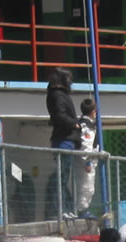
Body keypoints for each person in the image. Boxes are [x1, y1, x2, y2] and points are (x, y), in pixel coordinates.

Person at [46, 67, 81, 217]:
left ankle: (65, 209)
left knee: (64, 178)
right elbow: (59, 115)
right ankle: (60, 210)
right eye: (68, 79)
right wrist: (74, 124)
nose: (70, 82)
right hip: (64, 140)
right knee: (62, 178)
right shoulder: (58, 95)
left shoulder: (58, 95)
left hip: (66, 139)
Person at [73, 98, 98, 219]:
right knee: (86, 186)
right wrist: (88, 162)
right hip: (85, 161)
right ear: (93, 111)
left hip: (86, 159)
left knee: (86, 186)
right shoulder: (87, 126)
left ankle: (83, 209)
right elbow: (86, 146)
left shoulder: (84, 123)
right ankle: (83, 211)